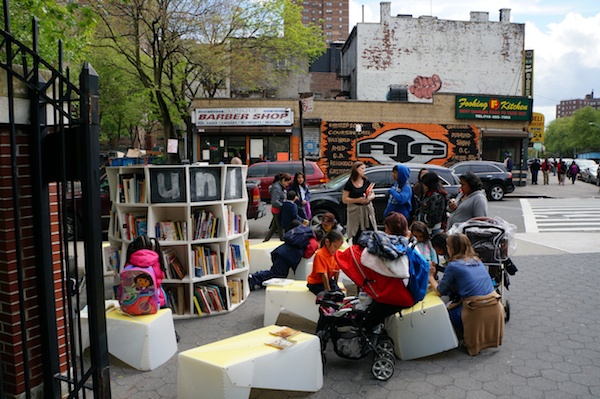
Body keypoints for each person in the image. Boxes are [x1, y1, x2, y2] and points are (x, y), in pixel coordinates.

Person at [428, 233, 504, 356]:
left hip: (476, 307)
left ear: (451, 248)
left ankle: (464, 337)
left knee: (444, 314)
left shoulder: (453, 266)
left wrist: (430, 276)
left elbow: (440, 291)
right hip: (494, 304)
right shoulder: (477, 260)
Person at [248, 222, 318, 290]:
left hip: (281, 252)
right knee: (276, 274)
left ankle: (259, 281)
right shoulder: (313, 241)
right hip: (286, 256)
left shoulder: (303, 234)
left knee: (279, 274)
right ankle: (253, 278)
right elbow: (307, 254)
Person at [124, 235, 167, 308]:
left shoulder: (129, 263)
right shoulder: (156, 261)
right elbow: (159, 279)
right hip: (154, 302)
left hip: (131, 302)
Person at [342, 161, 377, 243]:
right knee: (356, 232)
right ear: (356, 170)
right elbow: (344, 199)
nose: (364, 170)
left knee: (370, 230)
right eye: (362, 168)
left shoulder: (366, 181)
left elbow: (373, 194)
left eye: (364, 168)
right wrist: (358, 200)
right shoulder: (349, 183)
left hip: (367, 210)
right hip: (355, 210)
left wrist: (369, 198)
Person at [307, 230, 344, 295]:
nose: (336, 250)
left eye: (338, 248)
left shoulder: (335, 254)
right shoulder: (320, 254)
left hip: (328, 281)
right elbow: (324, 274)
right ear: (327, 242)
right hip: (315, 283)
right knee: (328, 297)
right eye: (335, 246)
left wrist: (336, 286)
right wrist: (328, 291)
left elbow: (336, 272)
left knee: (339, 295)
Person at [264, 173, 292, 241]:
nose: (288, 184)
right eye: (287, 183)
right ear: (283, 180)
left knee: (274, 227)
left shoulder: (279, 187)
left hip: (278, 210)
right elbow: (274, 201)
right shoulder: (277, 188)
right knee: (280, 228)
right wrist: (284, 206)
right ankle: (282, 241)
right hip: (277, 210)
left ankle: (266, 240)